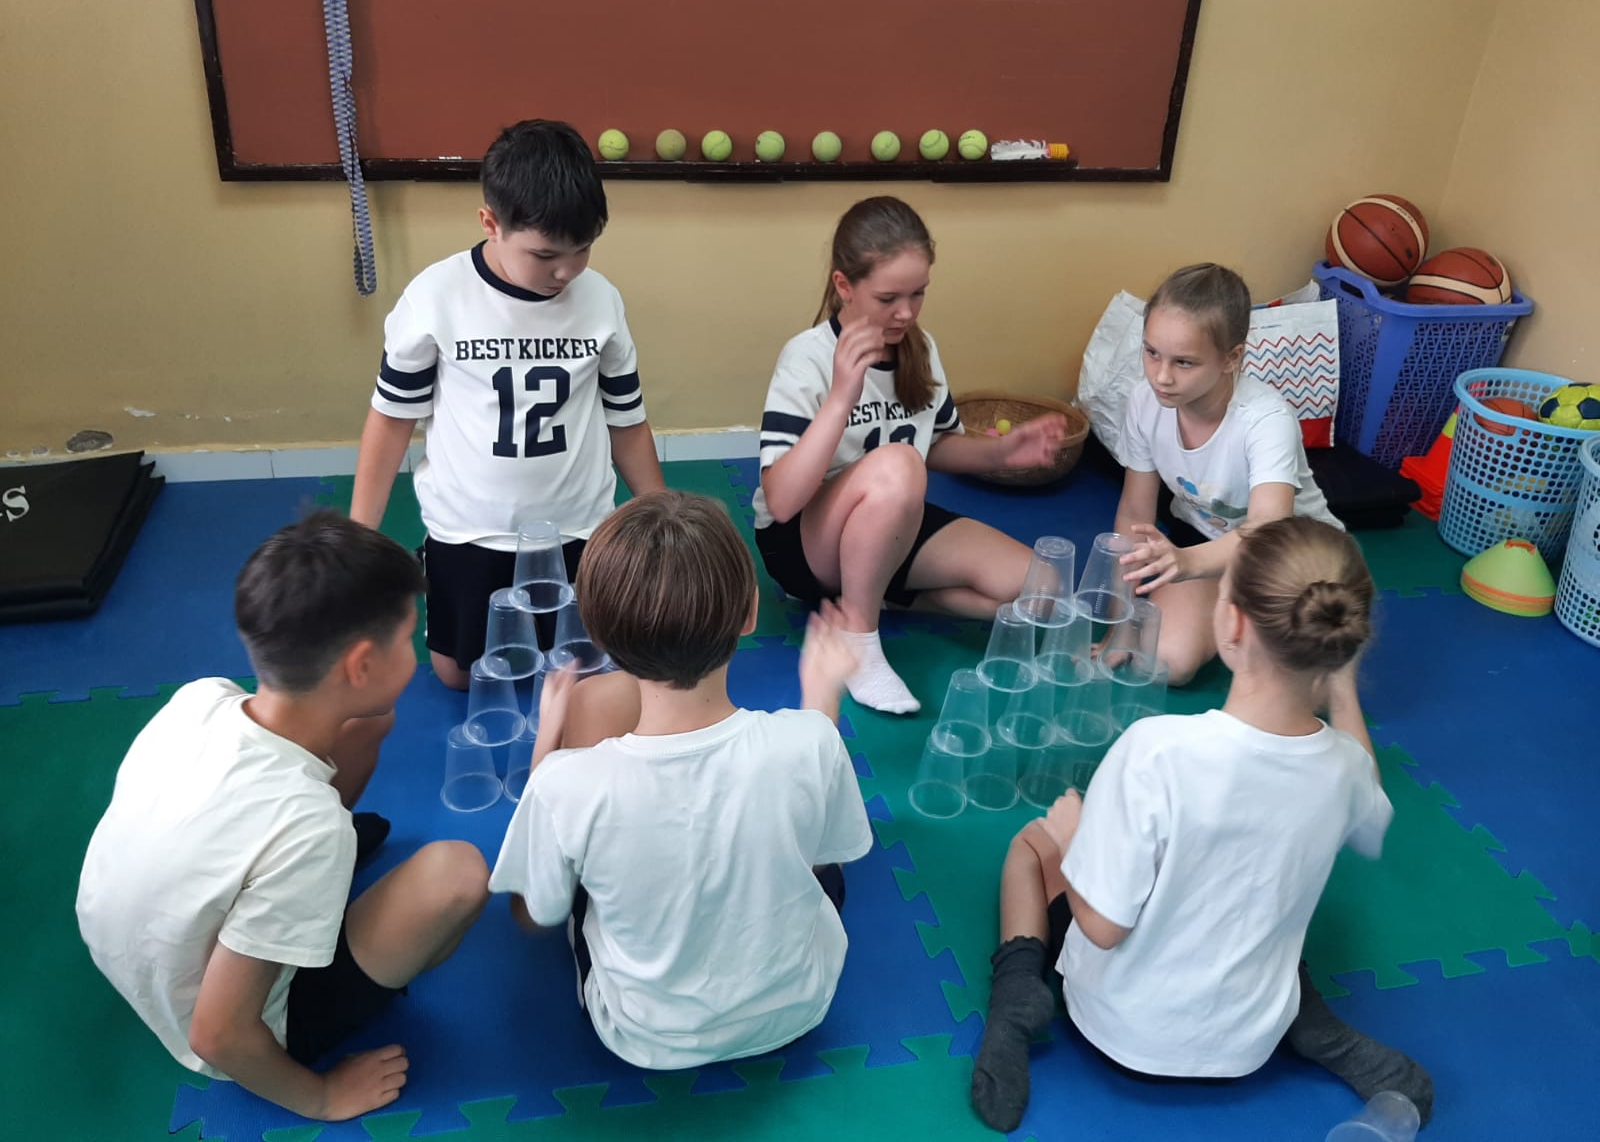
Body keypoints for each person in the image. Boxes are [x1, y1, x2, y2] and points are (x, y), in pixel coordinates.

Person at [969, 516, 1433, 1132]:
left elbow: (1102, 927)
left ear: (1232, 623)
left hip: (1120, 1028)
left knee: (1030, 846)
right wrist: (1340, 687)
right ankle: (1309, 1021)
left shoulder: (1156, 749)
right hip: (1249, 1042)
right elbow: (1371, 808)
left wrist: (1075, 840)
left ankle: (1015, 1000)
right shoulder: (1346, 769)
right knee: (1259, 893)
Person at [76, 511, 489, 1122]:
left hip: (133, 951)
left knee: (367, 724)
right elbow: (217, 1035)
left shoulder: (201, 697)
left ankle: (298, 884)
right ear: (360, 666)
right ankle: (302, 887)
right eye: (408, 637)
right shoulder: (310, 830)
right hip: (222, 1026)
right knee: (458, 875)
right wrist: (322, 1097)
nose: (416, 651)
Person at [488, 490, 874, 1069]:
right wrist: (821, 697)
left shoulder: (566, 784)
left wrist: (548, 744)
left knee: (574, 863)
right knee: (811, 848)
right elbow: (823, 861)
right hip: (798, 1008)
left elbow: (532, 913)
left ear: (597, 633)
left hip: (644, 1036)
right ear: (750, 614)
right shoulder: (812, 740)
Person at [349, 117, 662, 746]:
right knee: (458, 677)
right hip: (473, 526)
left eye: (583, 249)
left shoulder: (600, 300)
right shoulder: (437, 297)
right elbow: (391, 421)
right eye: (545, 255)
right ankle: (437, 565)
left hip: (577, 522)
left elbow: (627, 422)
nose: (566, 271)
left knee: (587, 668)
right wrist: (357, 539)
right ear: (490, 223)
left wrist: (666, 518)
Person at [752, 196, 1068, 715]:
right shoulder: (806, 357)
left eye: (918, 293)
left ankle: (879, 592)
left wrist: (1003, 452)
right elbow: (782, 502)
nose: (906, 312)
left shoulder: (921, 349)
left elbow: (936, 445)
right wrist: (841, 397)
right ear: (844, 286)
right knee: (899, 464)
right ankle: (859, 638)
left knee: (1041, 592)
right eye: (888, 297)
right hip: (803, 543)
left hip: (891, 523)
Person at [1111, 262, 1341, 685]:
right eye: (1151, 352)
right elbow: (1134, 514)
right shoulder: (1145, 402)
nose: (1161, 376)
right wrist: (1121, 624)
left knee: (1300, 685)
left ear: (1232, 357)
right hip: (1212, 549)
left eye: (1184, 362)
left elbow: (1267, 530)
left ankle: (1244, 615)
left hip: (1296, 556)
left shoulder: (1266, 419)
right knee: (1166, 663)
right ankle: (1226, 608)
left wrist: (1186, 562)